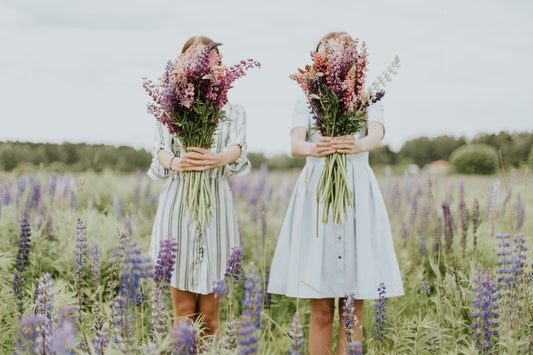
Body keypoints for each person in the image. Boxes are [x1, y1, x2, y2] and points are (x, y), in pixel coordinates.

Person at [267, 32, 404, 354]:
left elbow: (377, 135)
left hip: (357, 188)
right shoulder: (306, 98)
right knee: (321, 309)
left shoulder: (368, 95)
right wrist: (317, 148)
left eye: (339, 52)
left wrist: (354, 144)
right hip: (318, 191)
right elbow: (296, 144)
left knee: (353, 307)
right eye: (326, 53)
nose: (332, 58)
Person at [147, 36, 250, 337]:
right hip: (178, 205)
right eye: (196, 59)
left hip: (215, 206)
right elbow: (159, 149)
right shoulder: (169, 109)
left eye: (212, 58)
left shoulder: (233, 110)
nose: (205, 64)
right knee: (183, 315)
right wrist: (176, 163)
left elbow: (238, 148)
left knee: (210, 317)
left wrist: (217, 158)